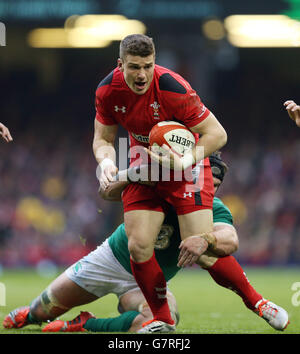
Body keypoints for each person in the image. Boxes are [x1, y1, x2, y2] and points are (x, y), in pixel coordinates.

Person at [3, 152, 289, 333]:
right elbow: (108, 192)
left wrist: (207, 238)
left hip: (147, 283)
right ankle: (30, 314)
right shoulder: (159, 186)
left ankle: (84, 324)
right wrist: (136, 173)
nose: (210, 187)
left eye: (216, 182)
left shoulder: (213, 208)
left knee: (164, 325)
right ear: (190, 174)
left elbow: (231, 239)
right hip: (110, 261)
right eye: (206, 178)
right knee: (43, 309)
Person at [93, 34, 227, 332]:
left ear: (155, 63)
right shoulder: (107, 90)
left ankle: (258, 303)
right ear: (120, 65)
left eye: (148, 66)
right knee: (138, 243)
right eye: (134, 67)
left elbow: (218, 134)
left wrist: (183, 160)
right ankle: (162, 317)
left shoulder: (172, 88)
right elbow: (102, 139)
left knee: (202, 251)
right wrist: (106, 162)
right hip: (144, 159)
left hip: (184, 163)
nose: (141, 74)